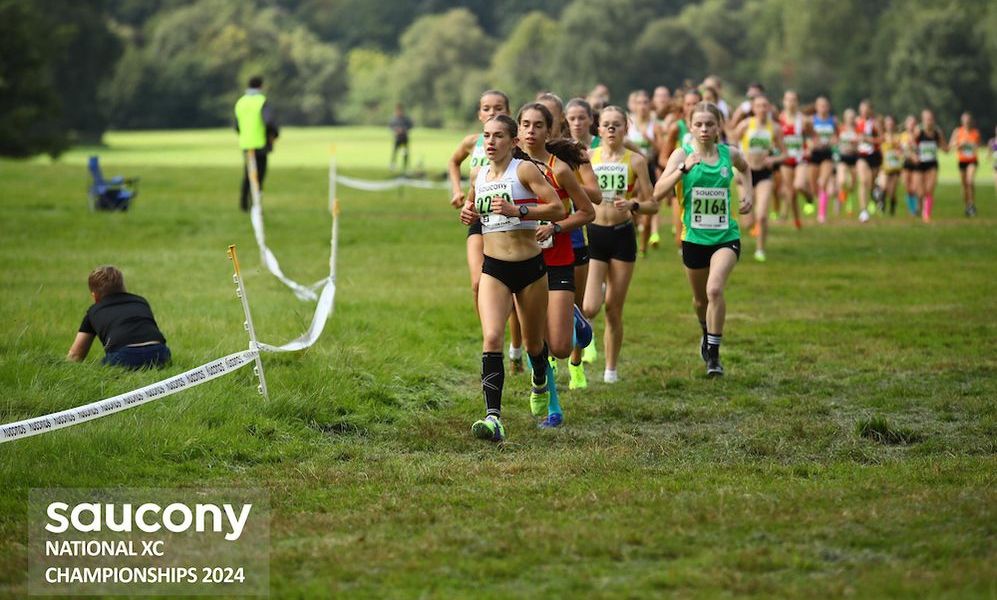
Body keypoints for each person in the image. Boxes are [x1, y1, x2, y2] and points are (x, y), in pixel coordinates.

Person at [459, 115, 566, 442]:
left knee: (534, 344)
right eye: (487, 136)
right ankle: (493, 418)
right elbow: (472, 207)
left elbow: (558, 209)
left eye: (499, 136)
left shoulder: (524, 170)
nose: (491, 142)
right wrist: (468, 212)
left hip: (530, 268)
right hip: (494, 268)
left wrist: (520, 211)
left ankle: (539, 376)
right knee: (492, 338)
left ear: (513, 141)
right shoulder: (478, 174)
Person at [655, 101, 753, 376]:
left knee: (714, 290)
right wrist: (683, 169)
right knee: (700, 301)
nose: (704, 129)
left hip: (726, 236)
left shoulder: (728, 154)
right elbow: (657, 192)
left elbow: (746, 168)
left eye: (710, 124)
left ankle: (714, 354)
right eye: (698, 124)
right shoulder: (680, 154)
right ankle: (705, 330)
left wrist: (749, 195)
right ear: (691, 126)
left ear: (719, 126)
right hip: (694, 238)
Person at [517, 102, 595, 423]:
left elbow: (588, 212)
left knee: (562, 348)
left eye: (538, 125)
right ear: (517, 129)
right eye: (526, 125)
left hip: (559, 257)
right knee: (537, 342)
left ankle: (576, 321)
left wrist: (556, 226)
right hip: (522, 259)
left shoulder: (559, 167)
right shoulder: (510, 167)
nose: (531, 131)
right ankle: (553, 406)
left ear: (549, 131)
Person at [446, 91, 527, 372]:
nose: (492, 112)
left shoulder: (515, 147)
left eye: (498, 108)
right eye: (486, 108)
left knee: (515, 289)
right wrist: (458, 192)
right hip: (481, 219)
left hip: (510, 221)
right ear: (479, 114)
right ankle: (491, 340)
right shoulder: (473, 142)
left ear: (508, 111)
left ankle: (516, 349)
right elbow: (453, 162)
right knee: (478, 282)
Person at [583, 106, 657, 384]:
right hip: (596, 234)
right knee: (589, 307)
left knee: (614, 308)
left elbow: (653, 205)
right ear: (598, 129)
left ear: (626, 128)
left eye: (617, 124)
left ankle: (610, 370)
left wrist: (634, 204)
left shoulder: (636, 161)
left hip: (623, 235)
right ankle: (596, 295)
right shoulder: (588, 158)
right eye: (606, 124)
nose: (612, 129)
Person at [67, 266, 171, 369]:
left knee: (98, 368)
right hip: (160, 353)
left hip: (124, 356)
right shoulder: (141, 301)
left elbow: (76, 355)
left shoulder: (94, 311)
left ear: (94, 296)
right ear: (124, 287)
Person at [735, 94, 784, 262]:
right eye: (759, 106)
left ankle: (760, 249)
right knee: (747, 220)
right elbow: (731, 146)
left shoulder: (775, 128)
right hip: (745, 173)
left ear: (769, 108)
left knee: (762, 215)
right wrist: (736, 165)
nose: (762, 109)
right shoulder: (745, 125)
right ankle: (750, 227)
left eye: (765, 106)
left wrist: (774, 159)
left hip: (764, 174)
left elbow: (784, 153)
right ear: (753, 108)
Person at [234, 75, 279, 212]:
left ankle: (243, 203)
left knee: (248, 174)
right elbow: (269, 122)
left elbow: (237, 125)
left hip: (246, 144)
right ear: (261, 86)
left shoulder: (240, 102)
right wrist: (274, 134)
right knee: (259, 175)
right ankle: (256, 204)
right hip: (260, 144)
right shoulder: (261, 101)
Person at [779, 90, 814, 228]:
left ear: (797, 102)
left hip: (800, 158)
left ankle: (809, 196)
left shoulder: (804, 120)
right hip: (785, 159)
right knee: (791, 193)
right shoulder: (779, 119)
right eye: (788, 99)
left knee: (799, 185)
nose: (790, 103)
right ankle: (797, 220)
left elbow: (812, 136)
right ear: (783, 102)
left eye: (793, 100)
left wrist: (809, 147)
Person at [912, 109, 948, 223]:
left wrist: (948, 146)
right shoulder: (918, 131)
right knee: (920, 191)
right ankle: (919, 205)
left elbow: (945, 148)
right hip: (919, 163)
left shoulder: (937, 132)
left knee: (929, 189)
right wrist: (914, 156)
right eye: (927, 119)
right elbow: (911, 144)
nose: (929, 121)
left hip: (932, 164)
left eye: (931, 119)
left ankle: (926, 214)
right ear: (923, 120)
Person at [810, 97, 838, 223]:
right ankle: (817, 202)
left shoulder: (833, 120)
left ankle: (822, 214)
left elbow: (836, 137)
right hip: (814, 154)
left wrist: (832, 141)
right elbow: (807, 137)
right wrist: (813, 143)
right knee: (814, 186)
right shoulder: (811, 120)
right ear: (816, 107)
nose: (823, 108)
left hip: (827, 154)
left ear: (829, 107)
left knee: (823, 182)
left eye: (825, 105)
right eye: (821, 105)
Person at [855, 100, 883, 223]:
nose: (864, 111)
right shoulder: (857, 122)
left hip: (875, 156)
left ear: (871, 110)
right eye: (862, 109)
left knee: (871, 183)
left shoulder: (876, 123)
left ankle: (876, 193)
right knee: (863, 181)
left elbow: (882, 139)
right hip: (861, 155)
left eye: (867, 109)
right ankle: (863, 211)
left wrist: (868, 139)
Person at [950, 112, 981, 216]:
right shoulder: (957, 131)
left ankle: (972, 204)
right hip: (962, 161)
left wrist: (971, 145)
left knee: (970, 181)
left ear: (971, 121)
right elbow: (951, 145)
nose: (967, 122)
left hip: (972, 160)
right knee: (964, 185)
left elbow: (976, 147)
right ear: (962, 121)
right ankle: (967, 206)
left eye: (968, 121)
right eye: (965, 121)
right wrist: (960, 144)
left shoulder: (975, 133)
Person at [836, 108, 860, 216]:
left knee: (852, 184)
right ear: (845, 118)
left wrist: (855, 146)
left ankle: (849, 204)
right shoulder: (841, 129)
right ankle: (840, 201)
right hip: (843, 157)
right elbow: (835, 141)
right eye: (849, 117)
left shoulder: (858, 129)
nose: (851, 119)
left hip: (854, 158)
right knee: (842, 181)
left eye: (852, 117)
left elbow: (861, 144)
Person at [880, 115, 904, 215]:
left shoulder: (899, 137)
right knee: (883, 187)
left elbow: (902, 150)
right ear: (885, 125)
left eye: (891, 123)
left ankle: (892, 205)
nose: (889, 125)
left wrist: (899, 151)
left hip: (895, 167)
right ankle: (882, 203)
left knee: (892, 191)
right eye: (887, 123)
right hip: (884, 167)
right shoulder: (882, 136)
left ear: (894, 125)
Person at [900, 115, 920, 216]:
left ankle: (915, 209)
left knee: (914, 187)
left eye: (913, 123)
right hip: (906, 163)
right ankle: (911, 209)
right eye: (909, 123)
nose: (911, 125)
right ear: (906, 125)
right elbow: (903, 150)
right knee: (908, 188)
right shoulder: (903, 136)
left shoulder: (918, 135)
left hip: (916, 164)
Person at [389, 103, 413, 173]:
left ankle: (405, 166)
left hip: (404, 138)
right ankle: (393, 165)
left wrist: (404, 130)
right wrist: (396, 130)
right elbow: (391, 127)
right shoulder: (394, 119)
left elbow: (410, 126)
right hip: (397, 138)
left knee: (405, 152)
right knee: (395, 152)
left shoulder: (405, 119)